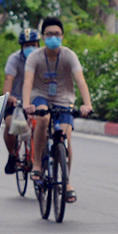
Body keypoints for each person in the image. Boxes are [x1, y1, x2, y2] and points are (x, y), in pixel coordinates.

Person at [22, 17, 94, 203]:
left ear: (62, 36)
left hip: (64, 100)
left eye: (57, 34)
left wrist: (87, 104)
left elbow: (80, 81)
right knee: (44, 118)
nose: (53, 37)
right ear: (43, 37)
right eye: (49, 34)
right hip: (41, 97)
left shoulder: (69, 55)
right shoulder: (35, 57)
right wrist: (26, 104)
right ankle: (37, 163)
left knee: (65, 137)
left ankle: (67, 181)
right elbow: (28, 82)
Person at [2, 28, 41, 173]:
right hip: (17, 100)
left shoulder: (43, 59)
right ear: (22, 46)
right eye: (27, 45)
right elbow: (8, 78)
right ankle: (12, 155)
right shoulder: (14, 59)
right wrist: (8, 96)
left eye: (33, 44)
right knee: (10, 123)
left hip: (36, 100)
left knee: (44, 125)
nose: (30, 47)